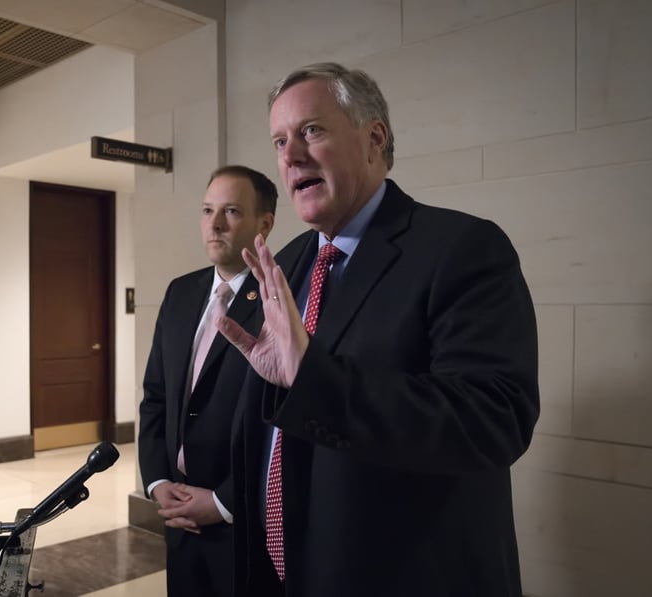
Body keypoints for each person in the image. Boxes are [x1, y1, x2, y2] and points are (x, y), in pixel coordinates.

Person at [216, 63, 540, 596]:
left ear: (374, 138)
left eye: (311, 131)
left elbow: (495, 419)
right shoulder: (286, 263)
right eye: (279, 140)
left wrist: (314, 377)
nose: (290, 155)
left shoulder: (462, 248)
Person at [138, 165, 277, 596]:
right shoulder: (181, 293)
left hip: (241, 519)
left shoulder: (279, 300)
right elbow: (156, 397)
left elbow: (282, 425)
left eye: (231, 211)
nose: (214, 224)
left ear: (264, 224)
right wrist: (158, 482)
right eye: (207, 210)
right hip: (179, 517)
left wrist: (223, 502)